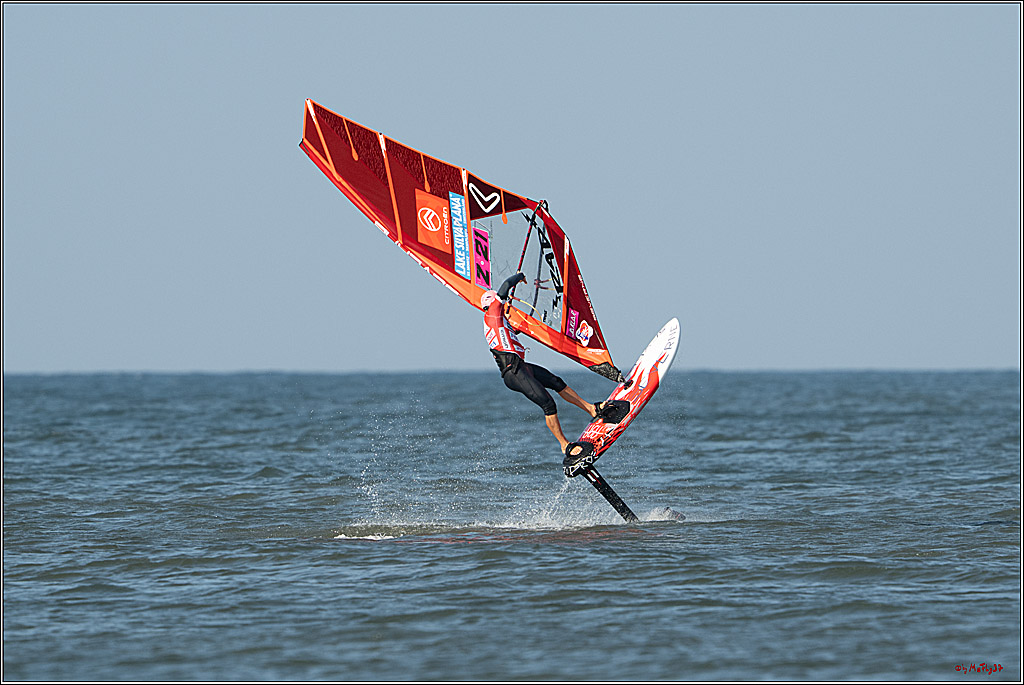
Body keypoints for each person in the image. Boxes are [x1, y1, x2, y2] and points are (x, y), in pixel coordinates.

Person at [482, 272, 608, 460]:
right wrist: (519, 277)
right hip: (514, 372)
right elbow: (505, 286)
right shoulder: (493, 313)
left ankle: (591, 409)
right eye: (503, 302)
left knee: (556, 382)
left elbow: (510, 335)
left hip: (521, 367)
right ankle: (565, 446)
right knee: (548, 404)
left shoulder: (498, 322)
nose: (507, 303)